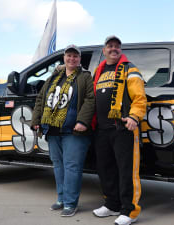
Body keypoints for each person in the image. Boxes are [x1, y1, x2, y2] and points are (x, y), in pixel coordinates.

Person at [31, 44, 94, 217]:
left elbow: (90, 100)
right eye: (69, 56)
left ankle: (70, 203)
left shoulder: (85, 77)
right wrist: (36, 120)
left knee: (72, 166)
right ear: (64, 57)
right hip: (52, 129)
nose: (72, 59)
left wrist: (82, 121)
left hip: (74, 130)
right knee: (58, 166)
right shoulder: (55, 76)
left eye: (75, 56)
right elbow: (41, 99)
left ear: (79, 59)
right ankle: (61, 198)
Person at [92, 35, 147, 225]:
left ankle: (130, 211)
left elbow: (139, 97)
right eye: (110, 46)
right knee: (105, 169)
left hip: (122, 128)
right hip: (102, 129)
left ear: (120, 50)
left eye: (117, 46)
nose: (113, 49)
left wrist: (134, 117)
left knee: (127, 171)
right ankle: (112, 204)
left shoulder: (129, 69)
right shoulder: (98, 71)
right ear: (103, 50)